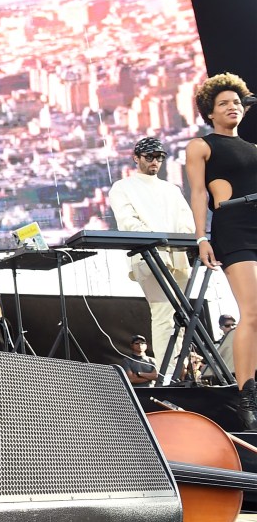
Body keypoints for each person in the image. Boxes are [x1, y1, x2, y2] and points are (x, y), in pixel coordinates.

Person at [187, 72, 257, 428]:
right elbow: (199, 193)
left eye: (236, 102)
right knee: (253, 311)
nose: (233, 107)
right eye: (224, 103)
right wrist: (202, 237)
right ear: (210, 112)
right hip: (235, 226)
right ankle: (247, 397)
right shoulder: (202, 146)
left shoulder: (254, 149)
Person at [107, 137, 195, 382]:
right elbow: (128, 222)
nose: (155, 161)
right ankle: (168, 374)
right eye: (149, 157)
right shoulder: (123, 187)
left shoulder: (172, 189)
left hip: (178, 256)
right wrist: (156, 241)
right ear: (136, 158)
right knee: (163, 312)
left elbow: (186, 221)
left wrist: (186, 244)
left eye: (159, 157)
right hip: (149, 255)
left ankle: (178, 372)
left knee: (181, 316)